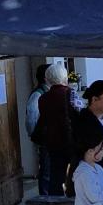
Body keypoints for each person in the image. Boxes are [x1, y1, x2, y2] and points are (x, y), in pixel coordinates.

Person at [38, 63, 75, 196]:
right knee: (74, 175)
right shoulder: (70, 94)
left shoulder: (43, 98)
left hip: (53, 142)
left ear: (47, 79)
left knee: (56, 176)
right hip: (71, 140)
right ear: (65, 78)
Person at [26, 63, 51, 195]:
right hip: (44, 138)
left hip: (48, 137)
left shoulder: (48, 92)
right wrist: (36, 136)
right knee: (46, 170)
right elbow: (31, 118)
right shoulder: (38, 95)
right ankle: (45, 199)